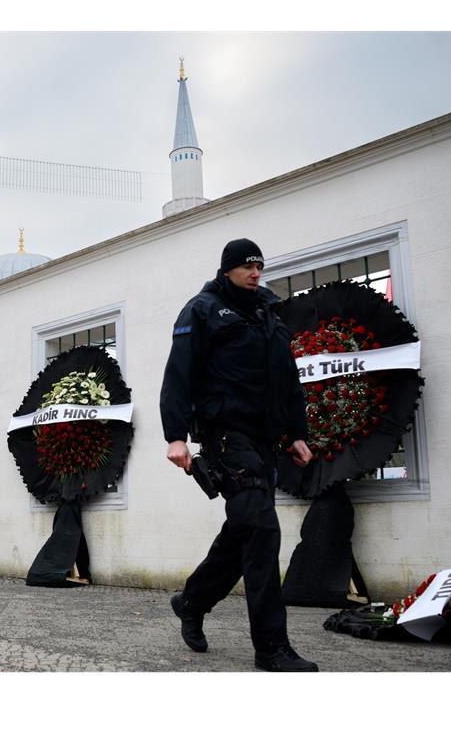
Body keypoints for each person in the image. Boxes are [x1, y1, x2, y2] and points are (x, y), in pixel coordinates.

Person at [160, 238, 317, 672]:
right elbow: (178, 374)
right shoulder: (203, 309)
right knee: (263, 530)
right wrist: (176, 436)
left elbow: (287, 379)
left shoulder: (268, 312)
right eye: (247, 266)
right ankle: (272, 647)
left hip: (263, 439)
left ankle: (191, 601)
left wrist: (296, 434)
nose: (255, 272)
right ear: (227, 268)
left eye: (259, 266)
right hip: (225, 438)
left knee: (245, 530)